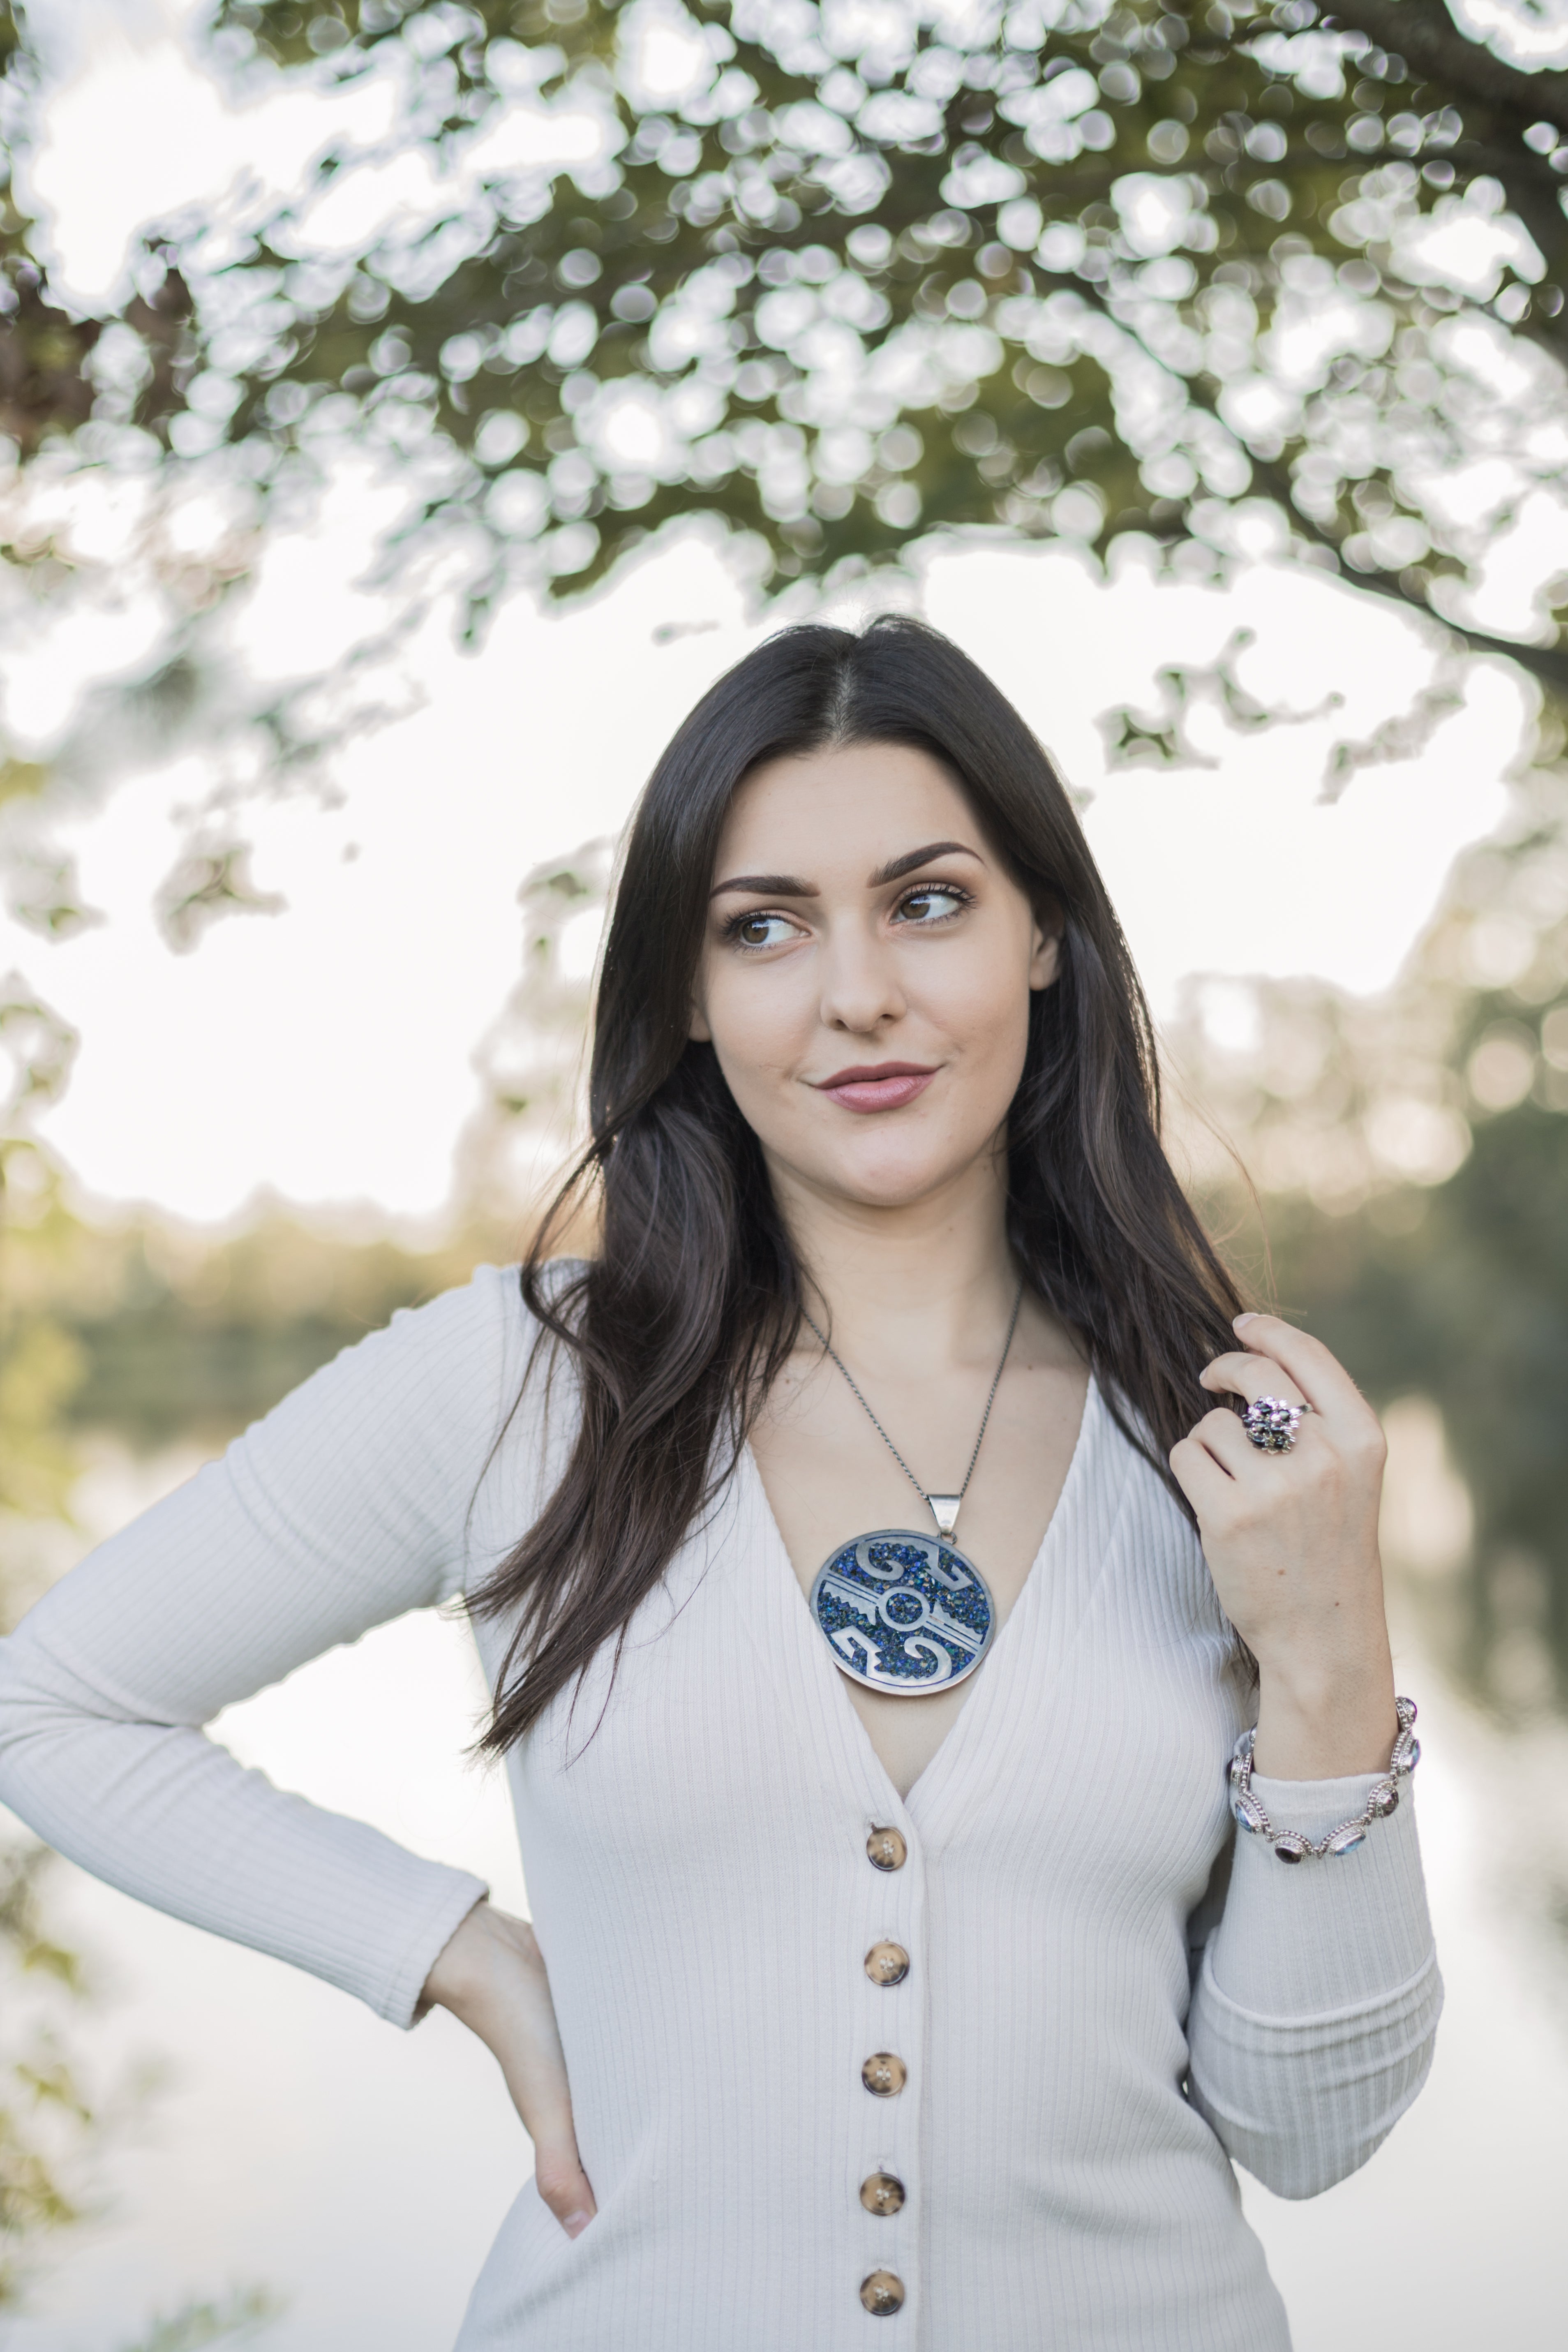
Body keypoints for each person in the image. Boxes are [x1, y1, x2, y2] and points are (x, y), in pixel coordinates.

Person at [0, 618, 1439, 2348]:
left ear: (1042, 933)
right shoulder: (520, 1386)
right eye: (763, 927)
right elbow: (54, 1706)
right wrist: (457, 1953)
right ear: (688, 992)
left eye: (927, 902)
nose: (857, 995)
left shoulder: (1221, 1433)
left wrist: (1335, 1664)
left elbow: (1312, 2133)